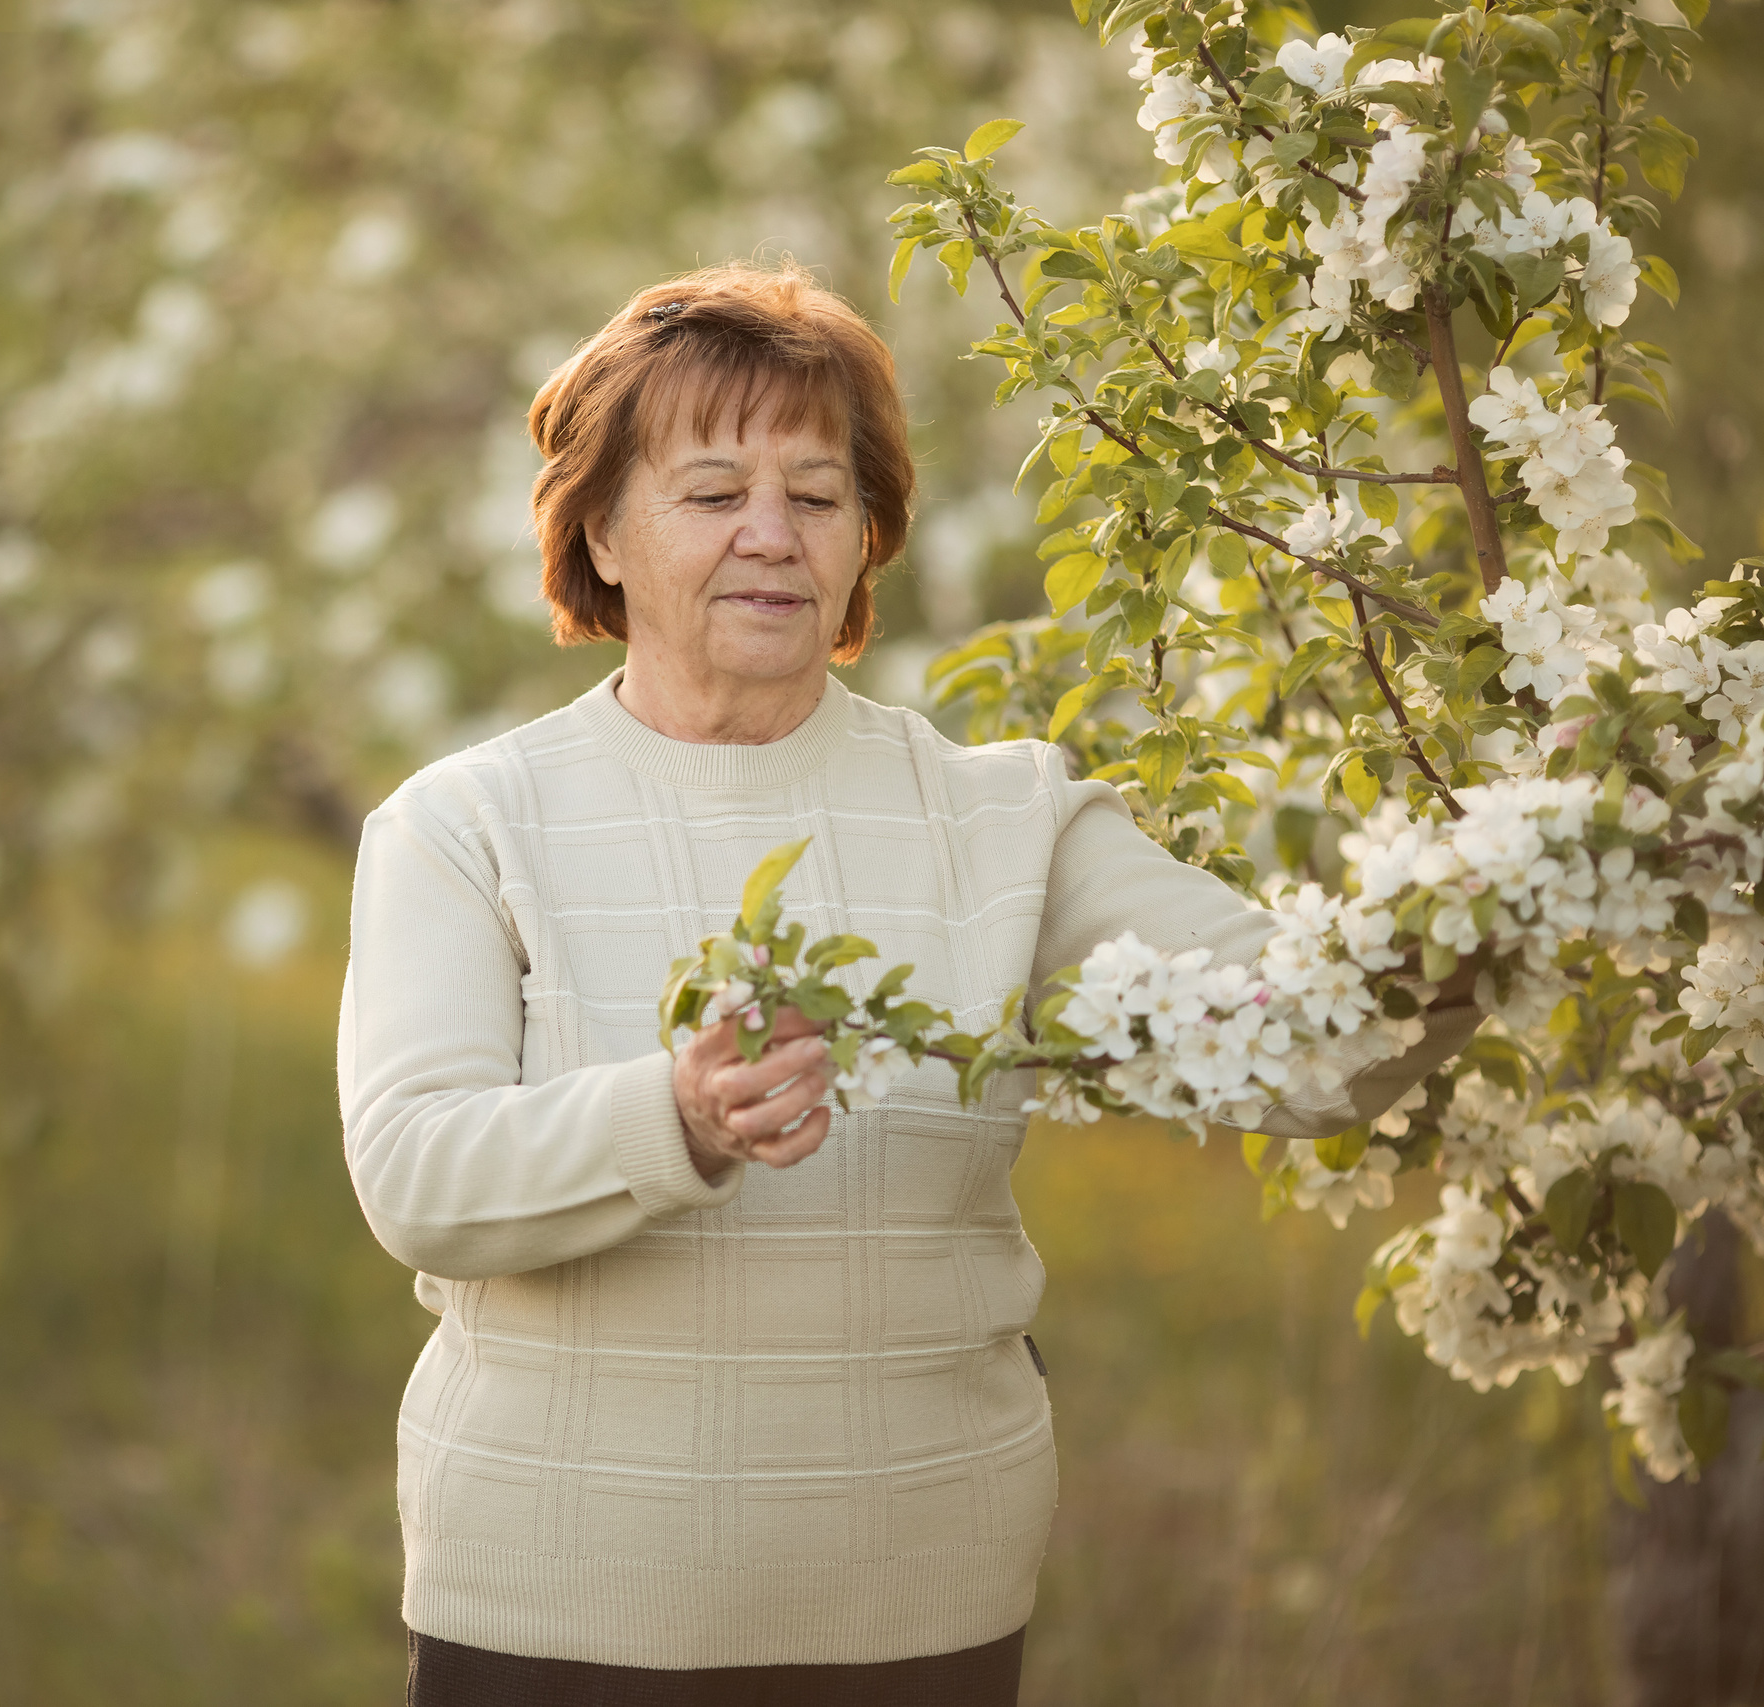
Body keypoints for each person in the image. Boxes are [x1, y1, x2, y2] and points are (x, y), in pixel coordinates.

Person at [337, 261, 1477, 1706]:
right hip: (556, 1615)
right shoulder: (467, 824)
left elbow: (1309, 1043)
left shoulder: (1004, 819)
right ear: (602, 533)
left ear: (865, 538)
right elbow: (419, 1177)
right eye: (712, 492)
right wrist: (676, 1120)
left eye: (818, 496)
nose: (772, 535)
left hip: (919, 1613)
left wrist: (1489, 907)